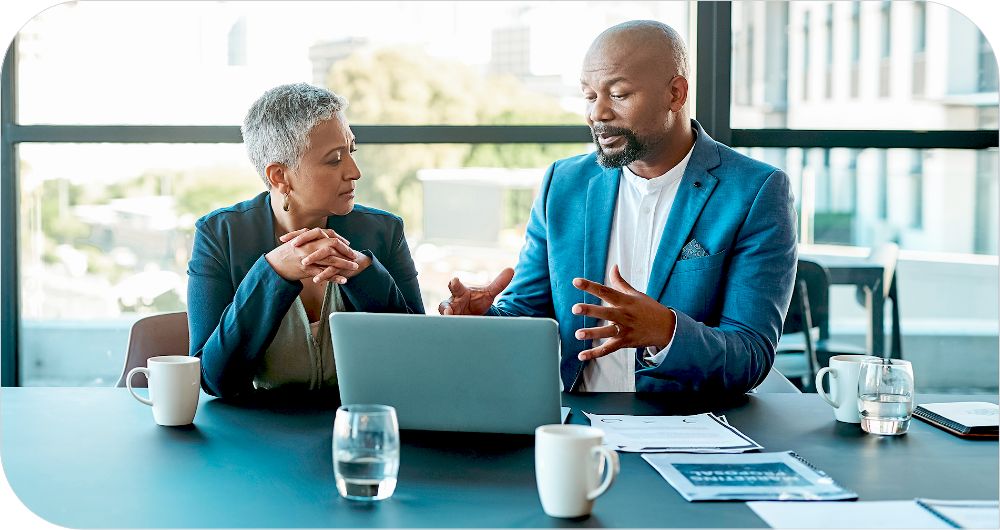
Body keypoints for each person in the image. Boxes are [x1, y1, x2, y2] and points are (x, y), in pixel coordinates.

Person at [439, 20, 796, 394]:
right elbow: (527, 314)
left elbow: (751, 354)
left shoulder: (756, 191)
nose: (598, 114)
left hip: (691, 426)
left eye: (619, 94)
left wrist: (666, 331)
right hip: (578, 424)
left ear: (675, 94)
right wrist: (483, 322)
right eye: (590, 96)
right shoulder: (562, 184)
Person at [188, 83, 423, 399]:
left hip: (358, 424)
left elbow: (417, 356)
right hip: (255, 435)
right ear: (280, 176)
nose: (354, 172)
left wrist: (366, 272)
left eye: (351, 151)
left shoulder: (384, 231)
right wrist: (272, 274)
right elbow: (213, 379)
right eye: (334, 159)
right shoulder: (219, 235)